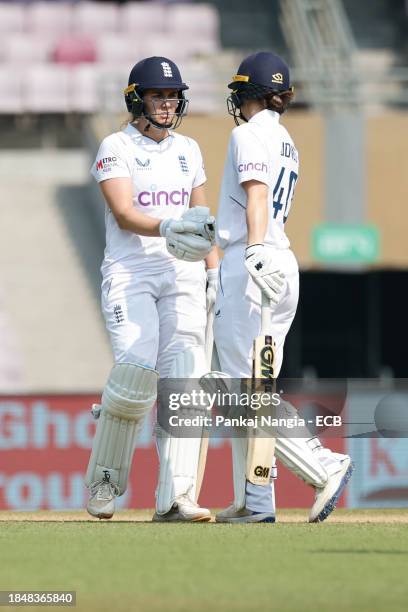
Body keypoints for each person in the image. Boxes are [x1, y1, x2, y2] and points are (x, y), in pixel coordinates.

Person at [213, 51, 354, 523]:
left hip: (253, 262)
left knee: (244, 391)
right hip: (282, 263)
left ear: (246, 94)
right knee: (251, 388)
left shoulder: (246, 133)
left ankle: (323, 464)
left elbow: (255, 193)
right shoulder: (287, 139)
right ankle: (255, 501)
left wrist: (252, 249)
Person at [84, 56, 219, 521]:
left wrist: (214, 272)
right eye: (158, 95)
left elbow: (201, 223)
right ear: (136, 99)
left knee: (183, 385)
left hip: (182, 276)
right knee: (135, 378)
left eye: (172, 96)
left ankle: (176, 498)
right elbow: (124, 213)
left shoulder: (190, 149)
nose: (166, 103)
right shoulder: (115, 146)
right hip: (131, 273)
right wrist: (168, 225)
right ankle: (104, 481)